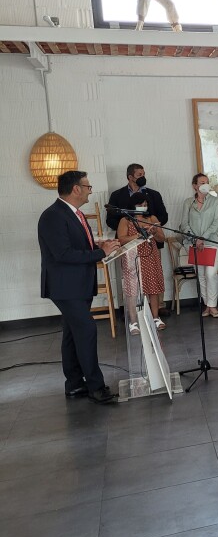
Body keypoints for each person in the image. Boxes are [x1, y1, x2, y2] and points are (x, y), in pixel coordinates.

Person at [38, 170, 120, 404]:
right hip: (65, 286)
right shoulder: (53, 216)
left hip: (78, 284)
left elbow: (76, 243)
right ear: (76, 189)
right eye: (87, 186)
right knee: (86, 330)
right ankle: (96, 387)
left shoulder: (74, 214)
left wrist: (100, 244)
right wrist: (99, 253)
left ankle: (74, 384)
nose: (90, 190)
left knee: (72, 334)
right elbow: (63, 254)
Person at [117, 191, 166, 334]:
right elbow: (121, 239)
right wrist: (138, 235)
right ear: (133, 205)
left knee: (153, 286)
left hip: (150, 255)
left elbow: (162, 239)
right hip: (133, 257)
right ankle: (133, 322)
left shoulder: (151, 218)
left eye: (145, 204)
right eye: (140, 205)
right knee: (133, 289)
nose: (143, 207)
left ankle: (156, 318)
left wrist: (154, 231)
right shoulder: (125, 220)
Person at [183, 173, 218, 318]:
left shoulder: (215, 201)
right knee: (201, 275)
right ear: (195, 186)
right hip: (195, 244)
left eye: (207, 182)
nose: (205, 184)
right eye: (202, 182)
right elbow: (184, 224)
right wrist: (195, 239)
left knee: (210, 274)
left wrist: (202, 238)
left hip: (212, 242)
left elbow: (216, 223)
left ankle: (213, 306)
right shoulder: (188, 202)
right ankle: (207, 305)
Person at [105, 163, 168, 236]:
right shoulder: (116, 195)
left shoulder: (154, 195)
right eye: (139, 175)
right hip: (126, 240)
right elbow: (110, 220)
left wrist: (151, 229)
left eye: (143, 174)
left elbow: (163, 216)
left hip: (152, 238)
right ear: (130, 177)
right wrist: (127, 229)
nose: (143, 177)